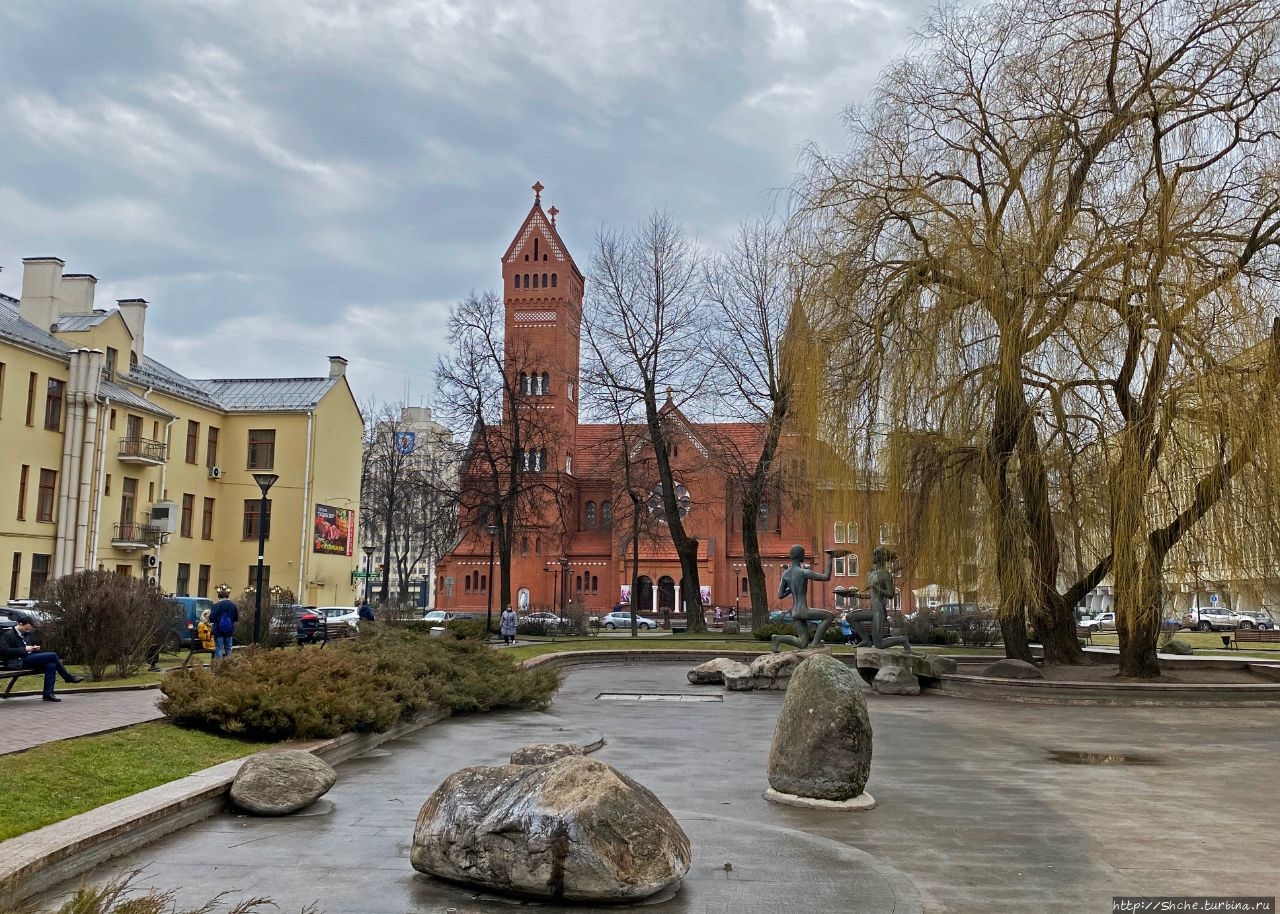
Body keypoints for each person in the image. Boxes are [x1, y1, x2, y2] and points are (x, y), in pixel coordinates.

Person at [771, 545, 840, 653]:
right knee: (829, 616)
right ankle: (816, 643)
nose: (804, 555)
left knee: (802, 643)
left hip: (795, 611)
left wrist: (790, 589)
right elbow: (826, 577)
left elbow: (780, 595)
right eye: (803, 553)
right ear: (799, 556)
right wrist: (830, 558)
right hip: (803, 610)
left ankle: (777, 638)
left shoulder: (785, 574)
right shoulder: (803, 572)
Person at [0, 614, 83, 702]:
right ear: (20, 624)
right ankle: (67, 677)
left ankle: (48, 694)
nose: (27, 631)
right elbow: (4, 651)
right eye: (26, 628)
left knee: (51, 665)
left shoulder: (24, 634)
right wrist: (24, 649)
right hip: (17, 661)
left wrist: (34, 649)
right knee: (53, 655)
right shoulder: (8, 635)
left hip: (27, 658)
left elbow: (27, 648)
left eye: (29, 629)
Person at [209, 586, 239, 659]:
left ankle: (219, 665)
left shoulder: (217, 605)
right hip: (229, 630)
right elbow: (236, 618)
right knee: (228, 648)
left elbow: (211, 618)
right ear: (227, 596)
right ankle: (228, 664)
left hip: (218, 630)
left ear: (219, 597)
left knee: (219, 648)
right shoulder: (233, 605)